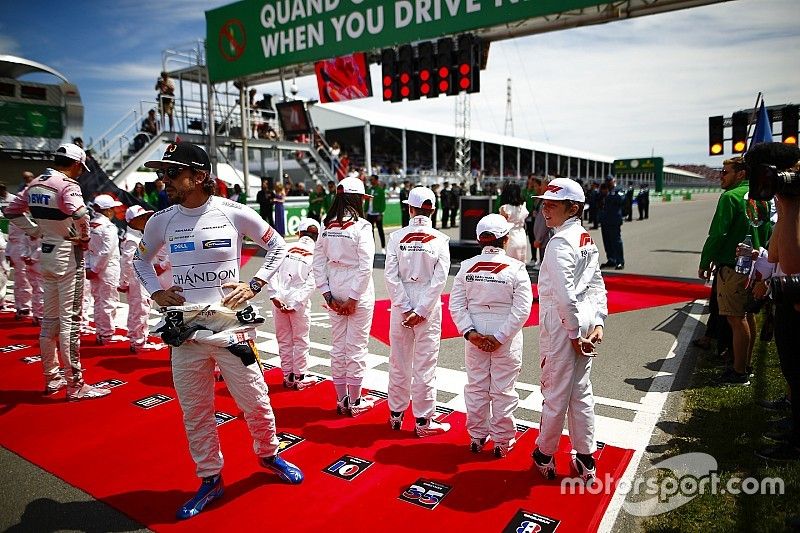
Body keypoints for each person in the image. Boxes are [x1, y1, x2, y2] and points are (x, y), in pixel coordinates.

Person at [133, 141, 303, 519]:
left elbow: (278, 246)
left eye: (172, 173)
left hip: (231, 329)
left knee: (256, 401)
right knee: (196, 412)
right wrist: (157, 291)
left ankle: (269, 454)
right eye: (163, 173)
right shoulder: (162, 220)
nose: (165, 180)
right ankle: (210, 478)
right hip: (186, 332)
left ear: (199, 175)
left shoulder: (232, 212)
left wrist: (254, 284)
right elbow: (139, 259)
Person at [4, 143, 110, 400]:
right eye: (80, 168)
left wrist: (36, 231)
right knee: (70, 322)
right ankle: (76, 385)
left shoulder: (35, 183)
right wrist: (83, 239)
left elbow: (10, 211)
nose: (80, 173)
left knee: (50, 320)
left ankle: (52, 378)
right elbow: (82, 215)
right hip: (68, 255)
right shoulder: (68, 185)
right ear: (75, 164)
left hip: (47, 253)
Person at [529, 178, 607, 483]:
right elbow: (596, 284)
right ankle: (585, 455)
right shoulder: (584, 237)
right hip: (581, 320)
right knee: (580, 390)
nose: (544, 209)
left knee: (555, 392)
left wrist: (575, 334)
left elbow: (564, 296)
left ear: (572, 207)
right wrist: (598, 321)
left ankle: (544, 454)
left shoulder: (560, 242)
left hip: (564, 326)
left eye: (552, 204)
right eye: (544, 203)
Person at [449, 214, 533, 457]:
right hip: (505, 336)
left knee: (476, 386)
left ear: (479, 240)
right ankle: (502, 441)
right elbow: (522, 309)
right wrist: (500, 336)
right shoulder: (517, 268)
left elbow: (456, 305)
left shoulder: (466, 267)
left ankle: (476, 436)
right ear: (505, 239)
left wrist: (470, 333)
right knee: (503, 389)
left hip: (474, 333)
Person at [699, 156, 771, 385]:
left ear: (740, 174)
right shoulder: (762, 197)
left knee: (735, 318)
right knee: (747, 315)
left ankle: (739, 372)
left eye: (725, 172)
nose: (721, 176)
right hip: (756, 266)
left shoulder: (730, 197)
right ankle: (745, 364)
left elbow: (718, 233)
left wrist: (706, 260)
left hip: (734, 265)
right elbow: (768, 231)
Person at [385, 186, 451, 436]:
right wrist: (422, 309)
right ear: (433, 210)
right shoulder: (441, 240)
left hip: (401, 302)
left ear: (409, 208)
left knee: (399, 361)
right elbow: (440, 279)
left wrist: (404, 307)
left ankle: (395, 414)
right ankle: (423, 421)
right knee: (425, 364)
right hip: (429, 304)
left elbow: (390, 277)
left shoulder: (396, 237)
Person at [749, 142, 800, 461]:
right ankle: (794, 422)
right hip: (787, 296)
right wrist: (784, 203)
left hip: (795, 294)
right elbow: (778, 253)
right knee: (792, 369)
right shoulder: (787, 203)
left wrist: (790, 205)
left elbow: (792, 264)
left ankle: (796, 442)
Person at [312, 176, 376, 417]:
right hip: (356, 290)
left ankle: (341, 400)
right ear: (357, 199)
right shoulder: (362, 226)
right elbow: (365, 266)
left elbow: (317, 263)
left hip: (334, 286)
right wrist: (354, 298)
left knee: (338, 347)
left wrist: (328, 295)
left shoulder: (326, 224)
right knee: (357, 347)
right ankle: (356, 401)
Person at [268, 218, 320, 390]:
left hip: (280, 297)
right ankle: (300, 376)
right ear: (317, 236)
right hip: (299, 300)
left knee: (284, 340)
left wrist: (275, 295)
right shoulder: (317, 255)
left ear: (299, 233)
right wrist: (297, 302)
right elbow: (312, 283)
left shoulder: (285, 247)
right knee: (300, 340)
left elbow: (272, 272)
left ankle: (287, 376)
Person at [119, 205, 166, 353]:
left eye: (146, 216)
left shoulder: (139, 236)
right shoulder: (133, 239)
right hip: (138, 279)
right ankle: (138, 343)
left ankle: (137, 340)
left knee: (139, 309)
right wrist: (125, 281)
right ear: (132, 221)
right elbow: (127, 262)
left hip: (139, 278)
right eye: (142, 217)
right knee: (140, 309)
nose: (147, 219)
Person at [86, 194, 123, 345]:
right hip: (108, 268)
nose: (114, 211)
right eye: (113, 208)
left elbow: (86, 249)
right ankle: (107, 334)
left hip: (94, 266)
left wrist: (90, 267)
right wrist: (95, 268)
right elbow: (107, 251)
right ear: (107, 210)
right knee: (108, 301)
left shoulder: (90, 224)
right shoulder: (109, 227)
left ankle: (101, 332)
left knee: (98, 301)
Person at [598, 176, 625, 270]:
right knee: (607, 241)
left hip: (614, 220)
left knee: (616, 242)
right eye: (607, 181)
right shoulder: (604, 190)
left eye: (610, 181)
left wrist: (608, 195)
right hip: (604, 219)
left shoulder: (619, 189)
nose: (608, 183)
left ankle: (620, 261)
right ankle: (611, 259)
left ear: (614, 181)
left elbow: (621, 200)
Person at [499, 182, 529, 263]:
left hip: (510, 236)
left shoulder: (505, 208)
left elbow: (502, 224)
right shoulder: (523, 207)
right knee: (520, 263)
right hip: (522, 236)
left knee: (508, 263)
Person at [365, 175, 386, 253]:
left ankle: (383, 247)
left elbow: (383, 203)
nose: (371, 181)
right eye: (370, 179)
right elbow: (366, 202)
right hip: (369, 214)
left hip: (377, 214)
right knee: (370, 232)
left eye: (372, 179)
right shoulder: (369, 190)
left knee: (380, 230)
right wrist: (365, 211)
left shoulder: (380, 191)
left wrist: (381, 213)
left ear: (376, 180)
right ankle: (372, 248)